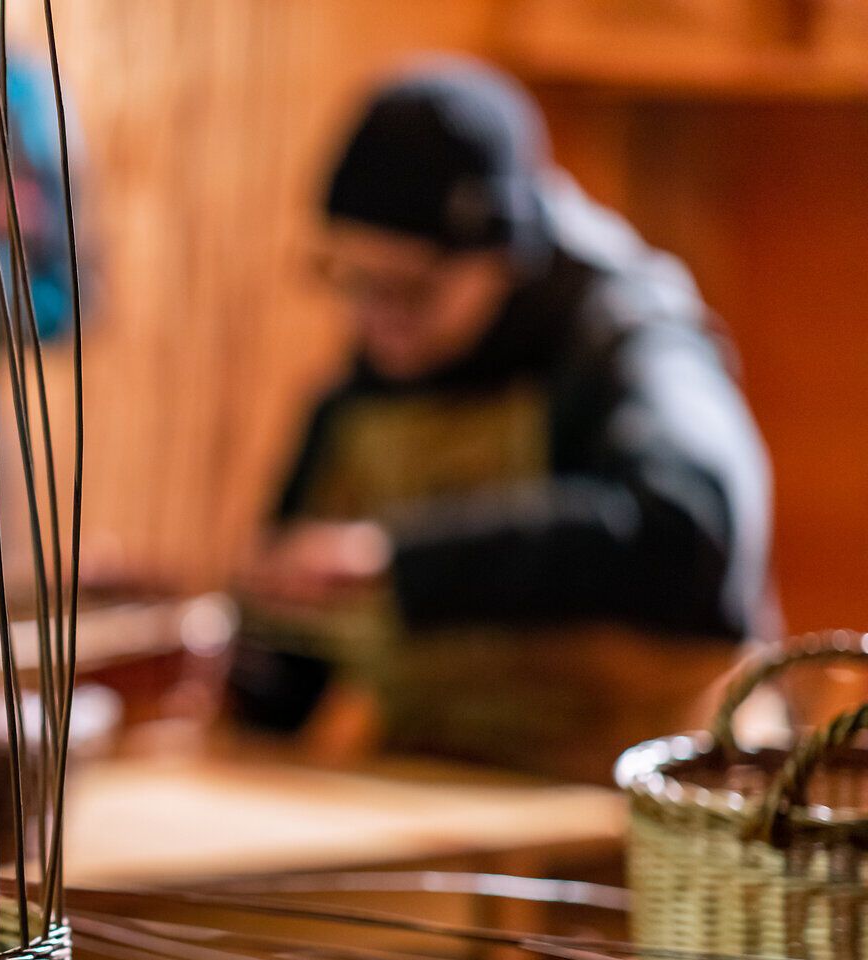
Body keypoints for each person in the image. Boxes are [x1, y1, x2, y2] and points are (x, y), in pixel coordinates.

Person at [229, 57, 774, 781]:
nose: (376, 320)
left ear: (504, 259)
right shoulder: (371, 375)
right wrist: (231, 659)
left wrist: (402, 561)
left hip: (651, 806)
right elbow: (290, 674)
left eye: (410, 289)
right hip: (448, 799)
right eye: (351, 281)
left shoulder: (622, 337)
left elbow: (692, 537)